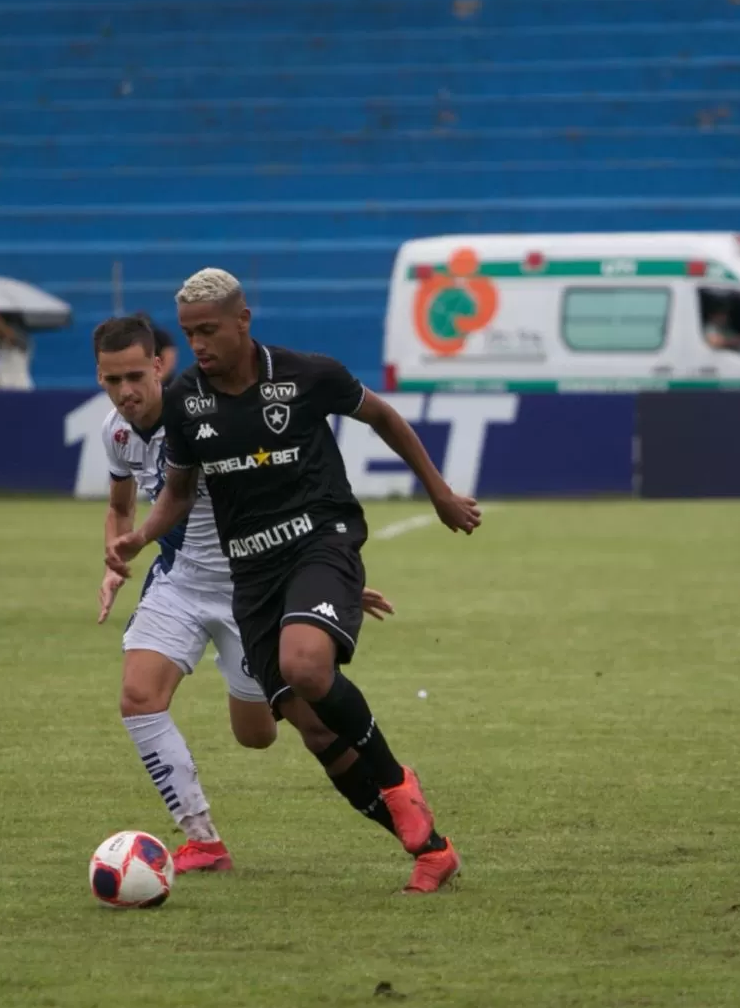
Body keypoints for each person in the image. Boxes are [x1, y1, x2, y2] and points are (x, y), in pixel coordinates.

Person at [106, 269, 482, 894]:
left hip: (321, 542)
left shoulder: (308, 375)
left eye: (210, 331)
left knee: (306, 666)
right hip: (251, 576)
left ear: (242, 321)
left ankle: (396, 782)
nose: (198, 345)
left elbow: (384, 417)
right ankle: (430, 849)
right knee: (314, 731)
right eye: (189, 333)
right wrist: (141, 537)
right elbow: (176, 493)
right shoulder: (185, 403)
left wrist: (439, 494)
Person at [92, 313, 397, 873]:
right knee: (138, 698)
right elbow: (119, 508)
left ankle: (401, 807)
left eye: (135, 376)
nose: (125, 392)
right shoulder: (114, 432)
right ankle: (201, 839)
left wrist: (328, 574)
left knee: (256, 735)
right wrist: (115, 558)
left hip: (249, 587)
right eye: (111, 381)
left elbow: (282, 499)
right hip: (179, 582)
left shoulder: (205, 416)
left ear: (160, 366)